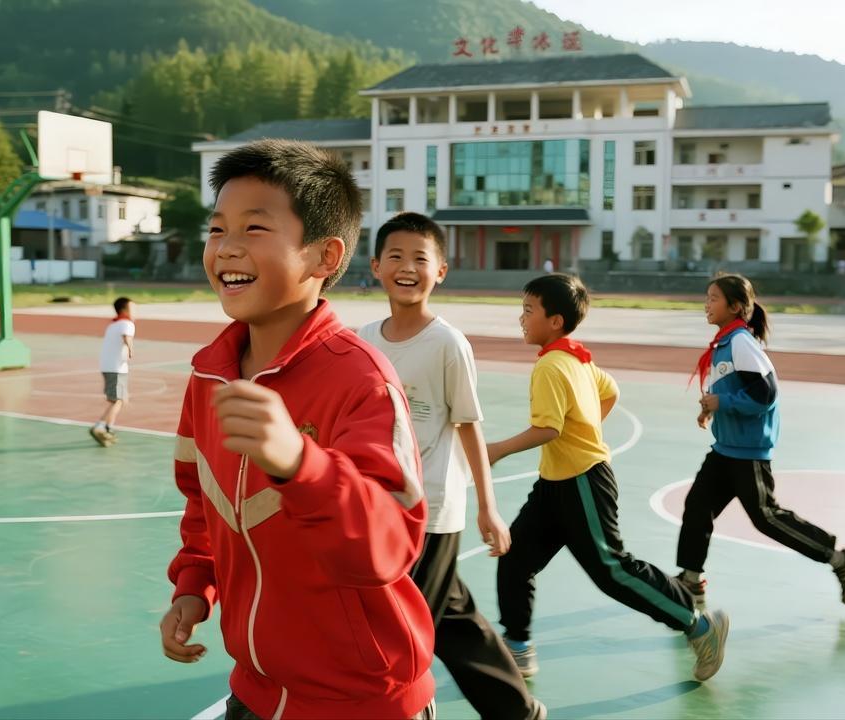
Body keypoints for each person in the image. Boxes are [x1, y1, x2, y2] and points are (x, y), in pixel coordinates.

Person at [158, 140, 435, 720]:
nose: (227, 247)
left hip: (362, 703)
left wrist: (300, 464)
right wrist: (193, 584)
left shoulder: (361, 381)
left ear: (323, 257)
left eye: (255, 228)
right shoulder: (209, 376)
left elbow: (389, 546)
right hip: (254, 692)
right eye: (216, 230)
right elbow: (202, 506)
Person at [488, 273, 730, 682]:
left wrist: (496, 450)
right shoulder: (575, 357)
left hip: (582, 481)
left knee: (613, 571)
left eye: (528, 310)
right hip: (556, 484)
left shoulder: (552, 366)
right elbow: (611, 390)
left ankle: (699, 627)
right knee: (516, 559)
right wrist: (588, 429)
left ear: (556, 321)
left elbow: (548, 429)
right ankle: (518, 645)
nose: (521, 318)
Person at [359, 212, 545, 720]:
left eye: (420, 258)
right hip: (379, 507)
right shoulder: (363, 340)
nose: (406, 267)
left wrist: (488, 508)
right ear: (375, 266)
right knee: (451, 617)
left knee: (404, 626)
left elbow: (469, 428)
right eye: (395, 256)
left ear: (441, 270)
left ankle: (413, 707)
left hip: (434, 507)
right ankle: (519, 711)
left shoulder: (447, 343)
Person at [676, 273, 845, 608]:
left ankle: (841, 560)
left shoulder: (740, 343)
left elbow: (766, 394)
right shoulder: (725, 343)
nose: (706, 304)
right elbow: (732, 388)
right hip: (725, 450)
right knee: (697, 507)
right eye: (706, 297)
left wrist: (724, 404)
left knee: (767, 517)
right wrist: (713, 409)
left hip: (747, 453)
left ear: (735, 307)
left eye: (713, 298)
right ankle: (691, 581)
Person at [91, 296, 135, 446]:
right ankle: (100, 426)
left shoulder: (112, 324)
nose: (135, 311)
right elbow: (126, 337)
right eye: (132, 307)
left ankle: (108, 429)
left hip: (109, 366)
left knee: (118, 400)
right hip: (116, 368)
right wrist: (130, 348)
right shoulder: (126, 323)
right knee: (117, 400)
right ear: (124, 309)